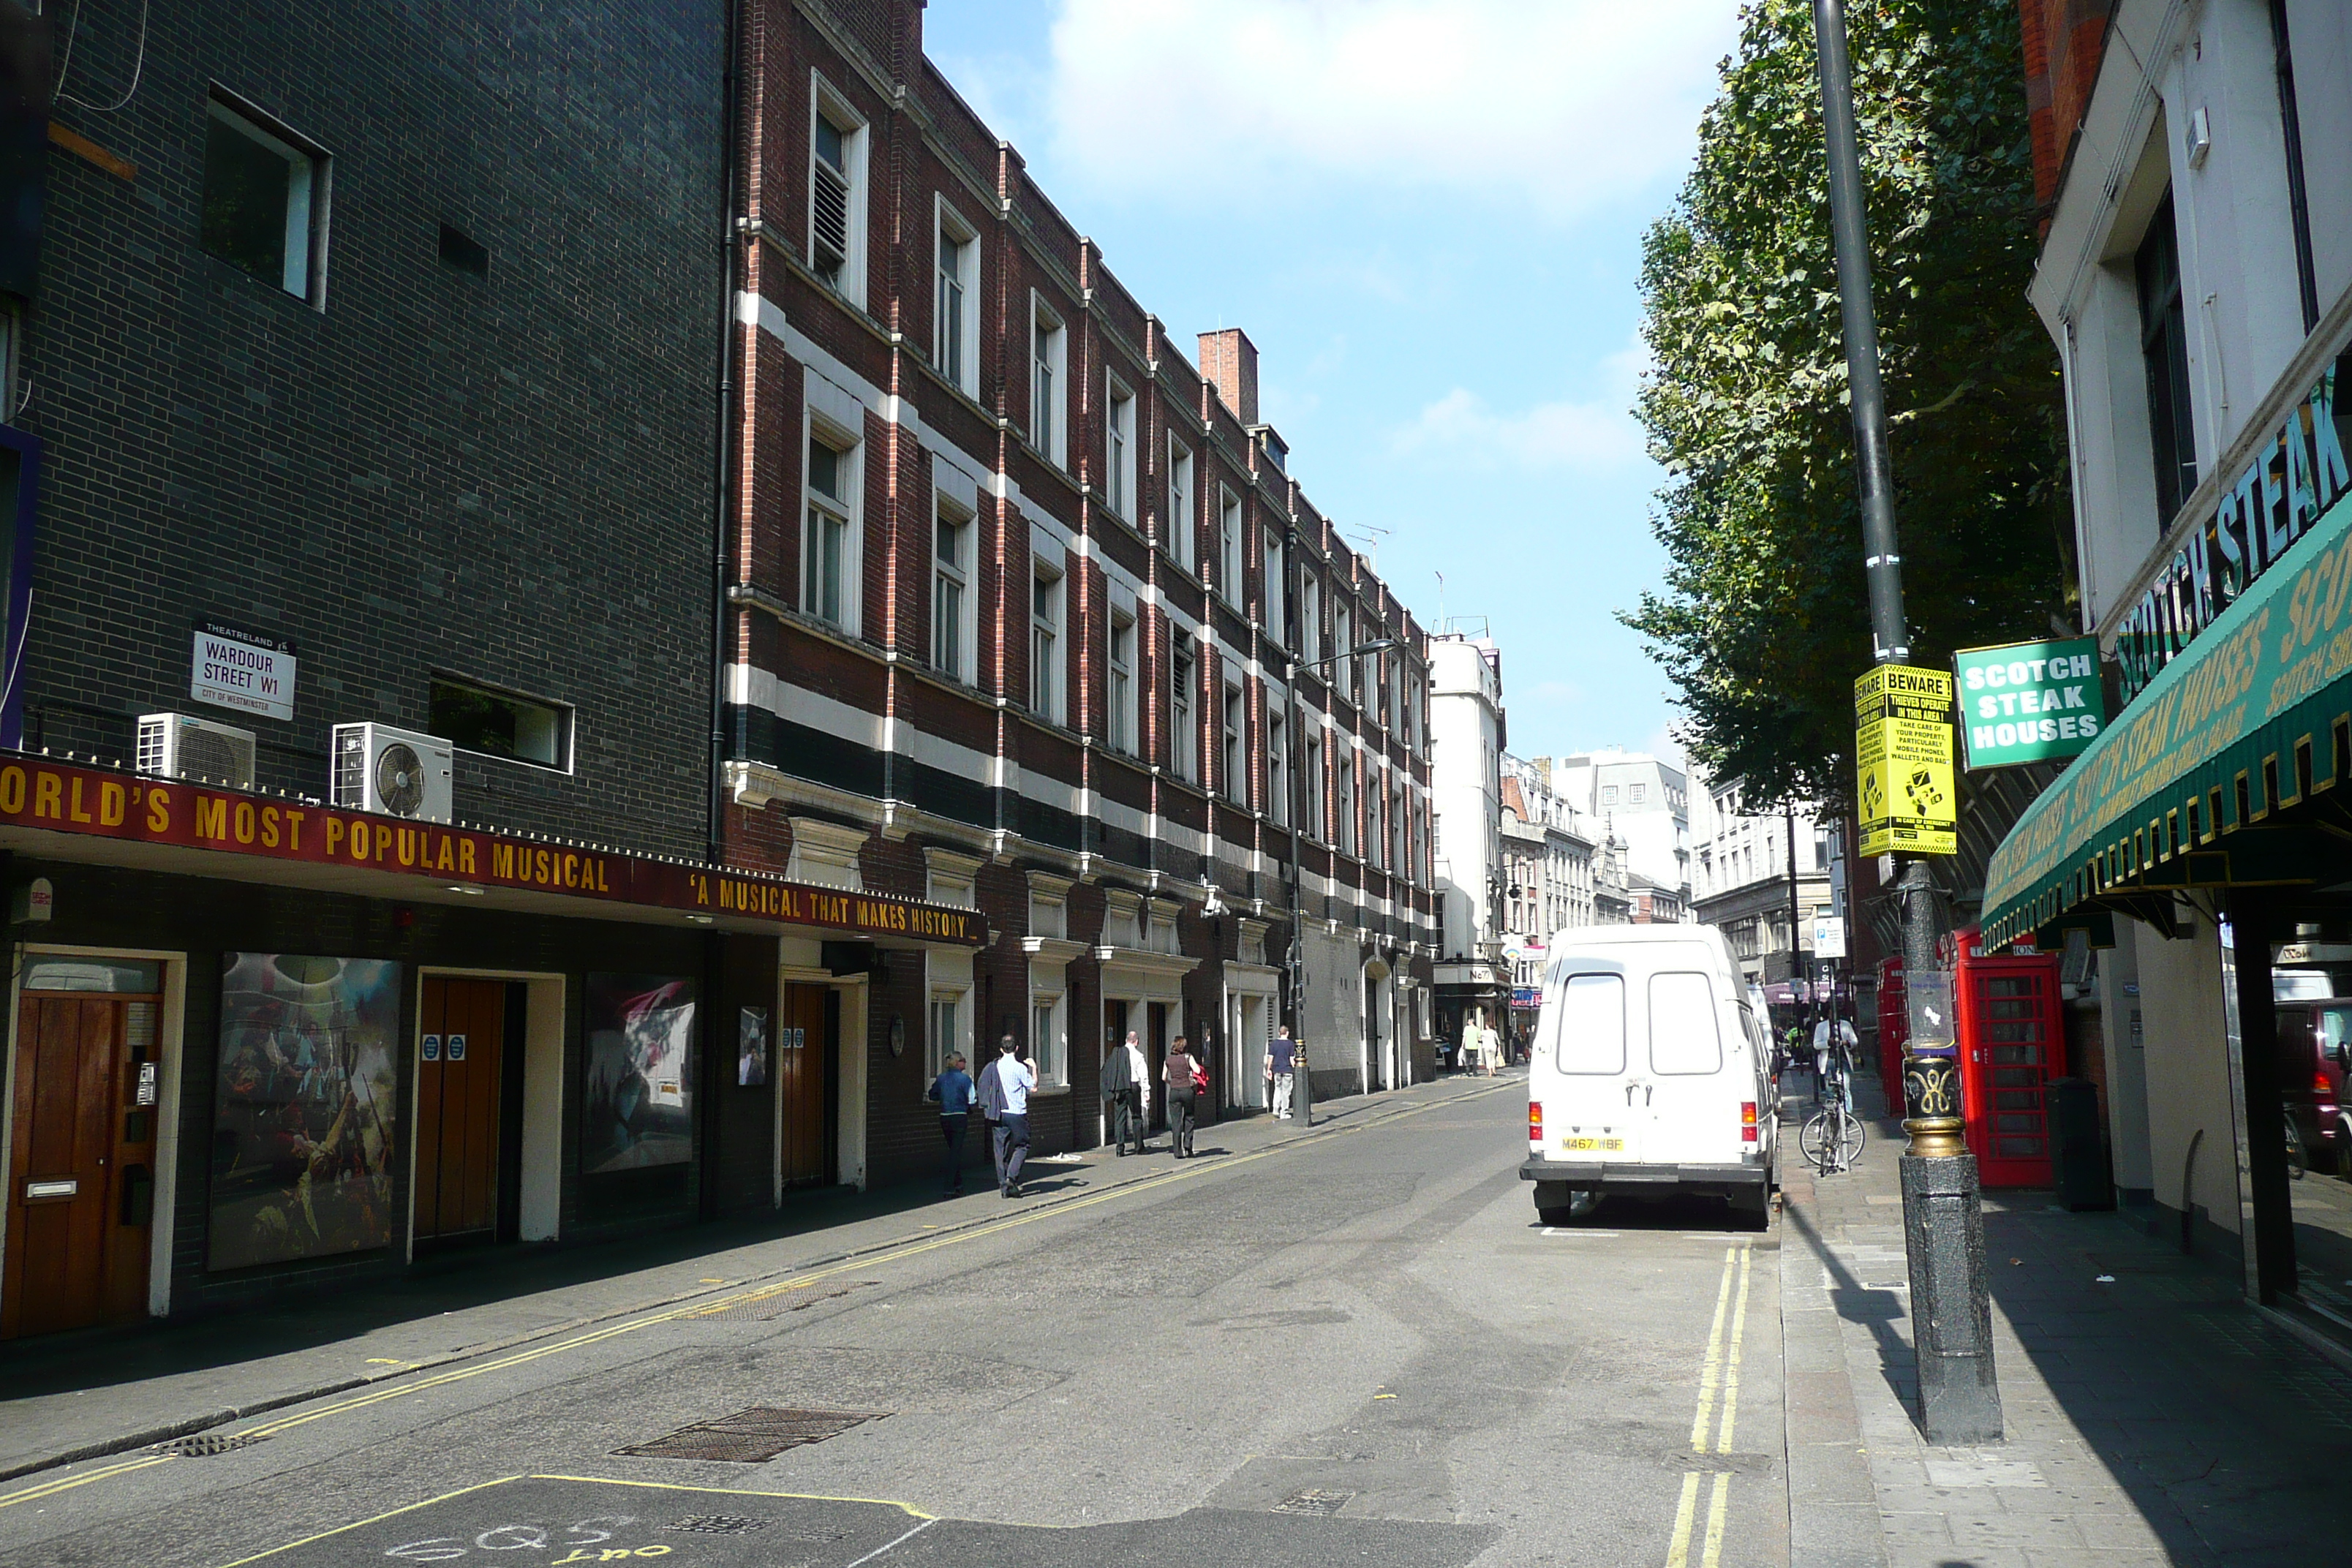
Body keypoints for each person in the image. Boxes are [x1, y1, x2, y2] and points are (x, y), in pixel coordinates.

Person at [924, 1051, 975, 1195]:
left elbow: (933, 1095)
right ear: (958, 1062)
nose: (965, 1063)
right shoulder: (965, 1080)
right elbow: (972, 1099)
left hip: (945, 1117)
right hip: (960, 1117)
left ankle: (958, 1184)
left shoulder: (941, 1079)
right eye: (963, 1060)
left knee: (954, 1150)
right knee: (955, 1152)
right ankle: (949, 1186)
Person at [991, 1035, 1036, 1198]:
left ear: (1001, 1049)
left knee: (1000, 1150)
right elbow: (1033, 1087)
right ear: (1016, 1048)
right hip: (1017, 1113)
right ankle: (1011, 1178)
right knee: (1022, 1145)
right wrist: (1034, 1068)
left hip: (998, 1112)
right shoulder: (1020, 1068)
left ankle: (1004, 1187)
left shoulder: (994, 1067)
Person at [1102, 1030, 1150, 1156]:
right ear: (1137, 1042)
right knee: (1136, 1116)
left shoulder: (1117, 1054)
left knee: (1120, 1118)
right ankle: (1139, 1147)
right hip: (1133, 1087)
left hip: (1120, 1087)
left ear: (1126, 1041)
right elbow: (1143, 1076)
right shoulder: (1139, 1056)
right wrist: (1146, 1091)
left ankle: (1119, 1149)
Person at [1164, 1034, 1201, 1158]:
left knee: (1176, 1122)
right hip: (1187, 1090)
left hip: (1174, 1091)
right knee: (1189, 1118)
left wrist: (1171, 1082)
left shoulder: (1168, 1059)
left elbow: (1163, 1077)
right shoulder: (1188, 1057)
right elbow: (1198, 1070)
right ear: (1184, 1046)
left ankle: (1177, 1151)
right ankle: (1188, 1148)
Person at [1267, 1025, 1297, 1120]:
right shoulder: (1290, 1044)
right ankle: (1283, 1112)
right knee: (1286, 1092)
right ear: (1287, 1033)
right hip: (1287, 1070)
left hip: (1277, 1070)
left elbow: (1270, 1058)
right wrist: (1296, 1068)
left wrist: (1269, 1069)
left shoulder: (1274, 1043)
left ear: (1279, 1033)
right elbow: (1292, 1059)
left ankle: (1275, 1109)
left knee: (1278, 1089)